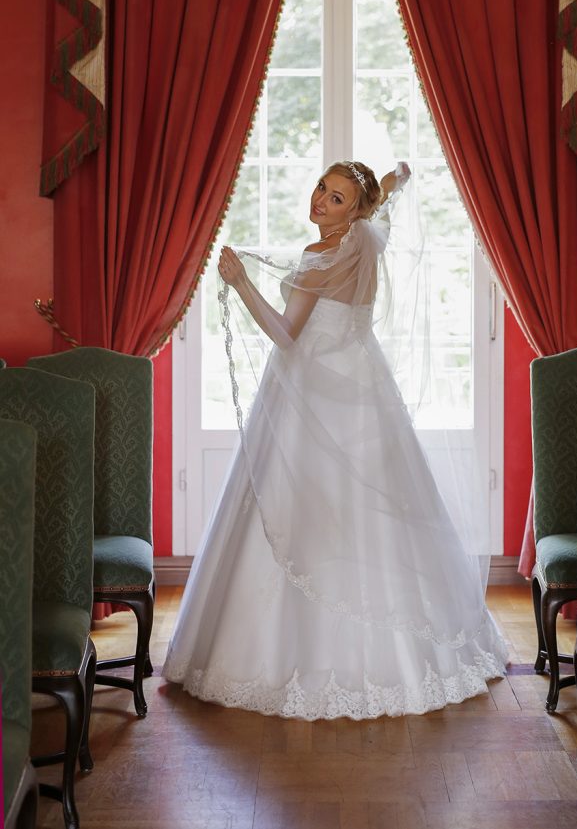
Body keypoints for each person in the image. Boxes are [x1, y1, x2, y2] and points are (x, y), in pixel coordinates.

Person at [163, 160, 508, 719]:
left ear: (354, 210)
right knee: (378, 513)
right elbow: (386, 201)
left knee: (308, 512)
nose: (321, 199)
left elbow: (283, 334)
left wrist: (241, 281)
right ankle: (426, 653)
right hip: (365, 385)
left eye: (337, 198)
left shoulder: (324, 258)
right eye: (322, 186)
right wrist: (394, 177)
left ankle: (308, 658)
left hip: (311, 390)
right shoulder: (371, 237)